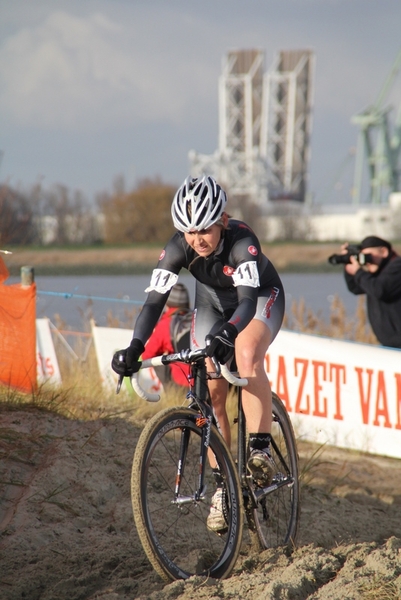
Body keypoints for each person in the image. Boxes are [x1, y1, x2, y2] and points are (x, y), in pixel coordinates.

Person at [111, 174, 285, 532]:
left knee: (246, 351)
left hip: (260, 298)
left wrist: (231, 333)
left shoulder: (242, 241)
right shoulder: (178, 248)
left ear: (222, 220)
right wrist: (134, 347)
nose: (197, 239)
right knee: (211, 391)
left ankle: (261, 450)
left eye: (204, 228)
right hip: (212, 305)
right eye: (189, 232)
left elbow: (248, 301)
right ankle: (224, 486)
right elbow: (154, 303)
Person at [342, 235, 401, 348]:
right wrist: (348, 266)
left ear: (383, 251)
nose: (367, 261)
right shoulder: (378, 273)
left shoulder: (398, 266)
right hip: (388, 344)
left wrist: (358, 272)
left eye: (368, 256)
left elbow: (379, 290)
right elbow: (355, 288)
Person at [141, 282, 191, 386]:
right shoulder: (196, 319)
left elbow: (147, 355)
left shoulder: (166, 324)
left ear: (167, 303)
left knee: (159, 361)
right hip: (206, 379)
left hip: (181, 382)